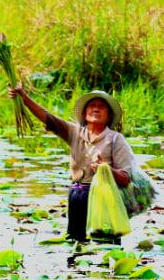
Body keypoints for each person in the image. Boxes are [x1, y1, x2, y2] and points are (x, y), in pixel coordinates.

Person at [8, 86, 134, 244]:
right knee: (76, 243)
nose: (96, 108)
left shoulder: (116, 140)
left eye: (101, 106)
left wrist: (106, 170)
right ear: (84, 114)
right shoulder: (74, 132)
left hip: (104, 198)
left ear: (108, 116)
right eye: (92, 105)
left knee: (105, 246)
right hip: (77, 196)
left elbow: (125, 178)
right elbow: (48, 119)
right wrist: (24, 98)